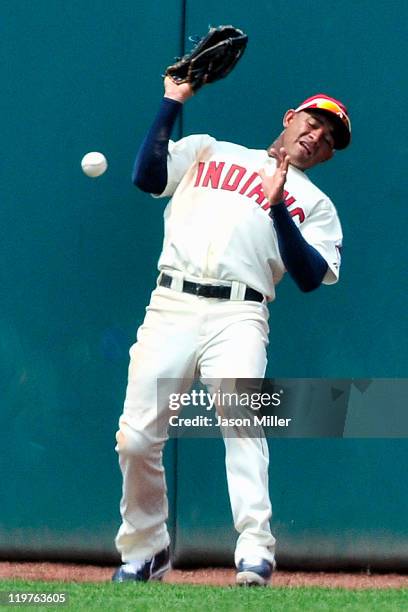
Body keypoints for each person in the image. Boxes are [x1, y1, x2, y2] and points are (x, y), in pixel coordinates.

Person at [112, 77, 351, 586]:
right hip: (172, 303)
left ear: (328, 156)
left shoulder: (315, 204)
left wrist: (280, 206)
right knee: (135, 439)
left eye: (329, 138)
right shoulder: (209, 149)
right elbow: (146, 176)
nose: (317, 136)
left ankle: (255, 551)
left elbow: (309, 276)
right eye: (313, 123)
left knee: (242, 420)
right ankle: (146, 548)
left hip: (240, 314)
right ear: (290, 118)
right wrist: (171, 102)